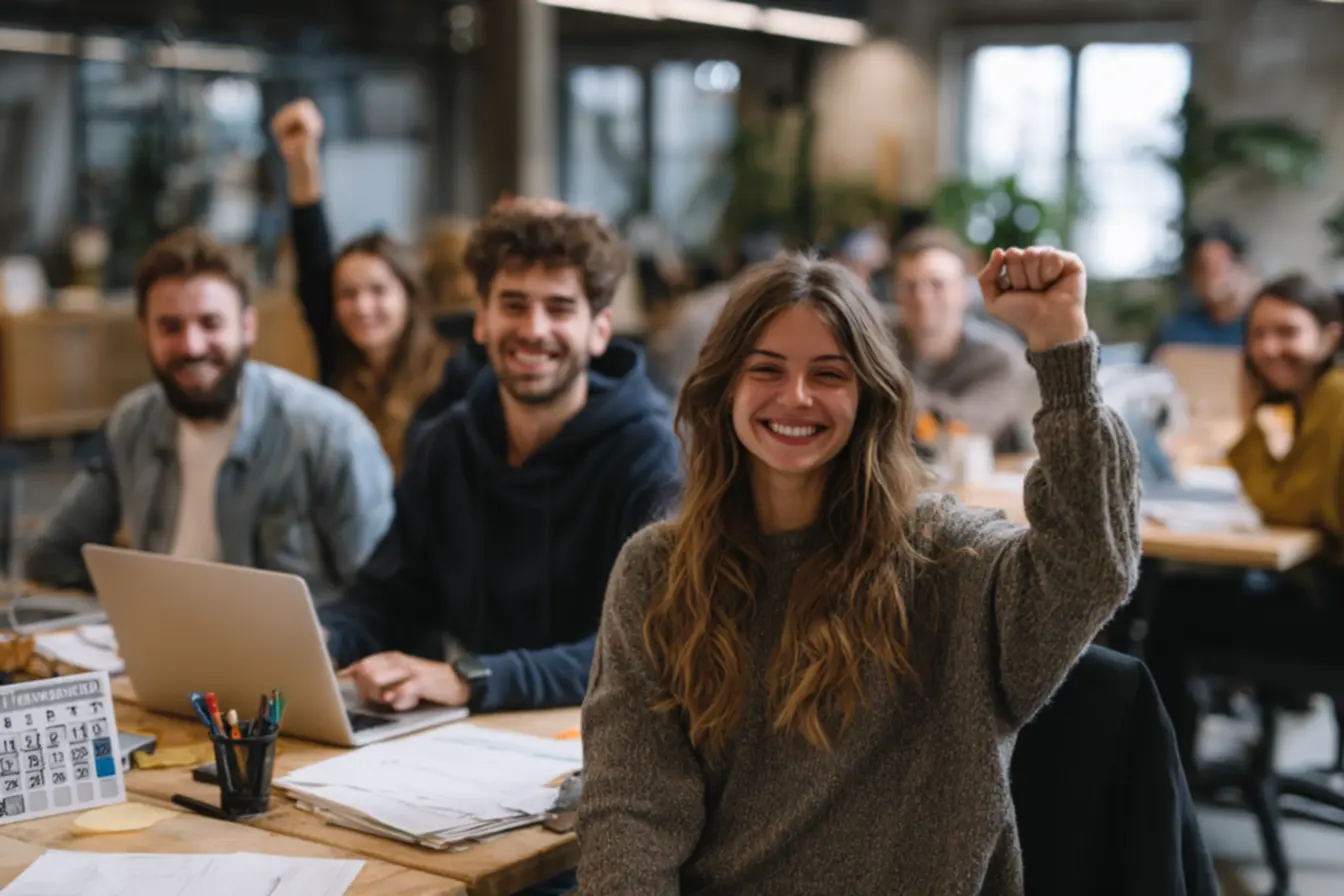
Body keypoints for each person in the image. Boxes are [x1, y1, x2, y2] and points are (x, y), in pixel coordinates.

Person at [577, 247, 1141, 893]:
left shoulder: (942, 559)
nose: (795, 397)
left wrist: (1062, 349)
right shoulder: (658, 569)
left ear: (870, 395)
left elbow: (1091, 566)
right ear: (724, 387)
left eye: (829, 374)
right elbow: (634, 809)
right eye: (766, 369)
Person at [318, 200, 681, 716]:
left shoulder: (650, 455)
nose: (533, 329)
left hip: (598, 741)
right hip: (472, 738)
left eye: (558, 308)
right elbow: (387, 597)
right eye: (513, 304)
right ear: (481, 320)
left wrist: (468, 680)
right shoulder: (446, 443)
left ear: (600, 329)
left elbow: (648, 647)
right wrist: (320, 637)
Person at [25, 228, 395, 603]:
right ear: (144, 331)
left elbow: (384, 599)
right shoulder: (134, 421)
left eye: (210, 323)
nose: (192, 345)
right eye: (170, 327)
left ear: (248, 326)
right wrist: (127, 611)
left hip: (290, 656)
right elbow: (50, 556)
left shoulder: (328, 432)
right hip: (159, 650)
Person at [1145, 273, 1344, 764]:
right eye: (1257, 335)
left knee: (1172, 610)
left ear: (1331, 336)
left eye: (1287, 332)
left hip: (1335, 617)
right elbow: (1291, 491)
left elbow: (1284, 503)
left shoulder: (1336, 396)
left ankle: (1168, 792)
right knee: (1189, 594)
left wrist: (1248, 411)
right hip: (1325, 591)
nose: (1269, 348)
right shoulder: (1316, 396)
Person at [271, 98, 468, 472]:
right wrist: (301, 159)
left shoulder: (450, 370)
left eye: (378, 291)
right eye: (348, 294)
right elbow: (313, 259)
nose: (362, 306)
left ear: (408, 296)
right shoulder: (339, 360)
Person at [892, 227, 1038, 454]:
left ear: (964, 290)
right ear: (896, 291)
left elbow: (960, 431)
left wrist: (893, 397)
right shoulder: (876, 341)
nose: (921, 297)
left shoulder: (1000, 358)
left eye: (937, 284)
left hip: (977, 484)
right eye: (910, 286)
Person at [1147, 221, 1258, 358]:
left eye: (1219, 267)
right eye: (1202, 267)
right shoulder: (1174, 332)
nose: (1211, 277)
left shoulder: (1260, 330)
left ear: (1241, 267)